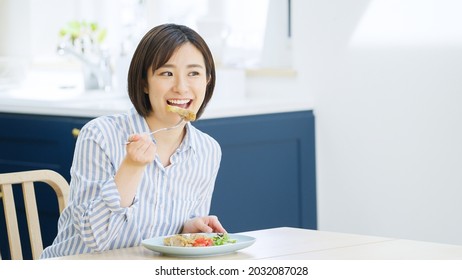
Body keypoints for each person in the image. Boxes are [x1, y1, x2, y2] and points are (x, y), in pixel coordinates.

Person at [41, 23, 225, 258]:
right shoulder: (100, 135)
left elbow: (165, 237)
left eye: (194, 73)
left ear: (208, 80)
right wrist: (131, 167)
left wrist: (187, 230)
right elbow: (95, 239)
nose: (181, 87)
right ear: (144, 83)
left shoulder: (207, 150)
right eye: (166, 73)